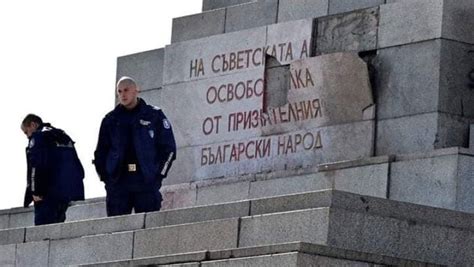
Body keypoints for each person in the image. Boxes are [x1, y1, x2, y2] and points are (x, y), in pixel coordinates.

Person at [93, 76, 176, 216]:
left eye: (126, 90)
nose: (122, 95)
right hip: (119, 183)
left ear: (136, 90)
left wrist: (158, 176)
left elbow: (169, 149)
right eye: (119, 91)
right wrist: (107, 179)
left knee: (148, 231)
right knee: (117, 231)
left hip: (145, 181)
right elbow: (100, 153)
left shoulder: (154, 115)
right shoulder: (110, 120)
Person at [21, 114, 85, 225]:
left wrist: (35, 192)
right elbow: (76, 164)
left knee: (42, 232)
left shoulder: (38, 137)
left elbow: (36, 166)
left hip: (46, 195)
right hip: (66, 193)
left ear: (33, 124)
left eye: (26, 132)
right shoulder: (61, 135)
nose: (27, 136)